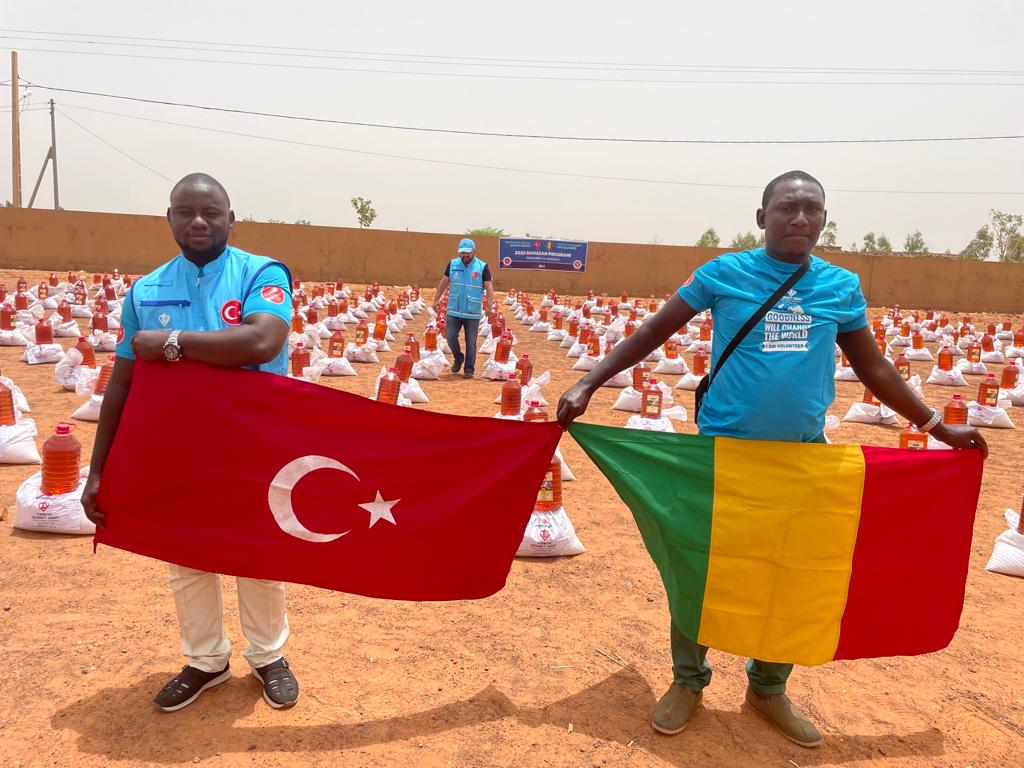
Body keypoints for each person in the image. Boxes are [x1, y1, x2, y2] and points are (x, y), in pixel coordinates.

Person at [557, 170, 988, 748]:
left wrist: (936, 425)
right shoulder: (724, 273)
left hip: (801, 461)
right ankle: (688, 681)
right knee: (700, 567)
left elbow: (874, 368)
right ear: (762, 217)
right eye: (787, 208)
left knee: (789, 575)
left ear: (824, 219)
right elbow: (654, 331)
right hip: (723, 457)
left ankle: (767, 687)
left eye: (812, 209)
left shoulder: (839, 286)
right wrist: (589, 381)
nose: (800, 218)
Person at [81, 173, 301, 713]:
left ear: (231, 219)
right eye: (185, 212)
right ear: (170, 219)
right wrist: (98, 468)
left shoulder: (261, 274)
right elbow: (123, 383)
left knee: (257, 552)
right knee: (186, 556)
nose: (198, 221)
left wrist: (172, 343)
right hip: (178, 449)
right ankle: (206, 660)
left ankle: (268, 655)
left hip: (253, 445)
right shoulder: (146, 290)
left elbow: (262, 340)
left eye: (210, 212)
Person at [432, 238, 494, 377]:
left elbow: (489, 287)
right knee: (450, 336)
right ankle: (459, 357)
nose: (465, 255)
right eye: (462, 253)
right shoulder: (453, 264)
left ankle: (469, 369)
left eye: (467, 253)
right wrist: (436, 299)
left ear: (474, 251)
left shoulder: (482, 267)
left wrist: (489, 306)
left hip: (472, 312)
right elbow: (443, 283)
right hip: (454, 309)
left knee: (471, 342)